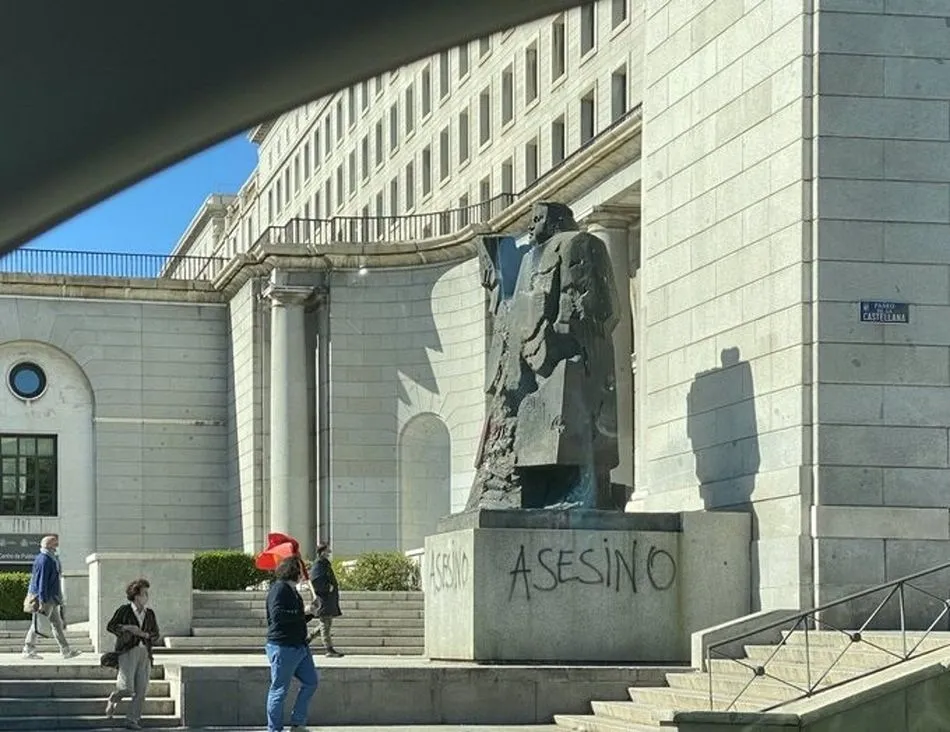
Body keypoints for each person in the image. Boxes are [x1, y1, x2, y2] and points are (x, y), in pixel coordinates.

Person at [266, 556, 319, 732]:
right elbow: (278, 616)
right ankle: (274, 729)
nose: (303, 574)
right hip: (283, 647)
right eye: (300, 570)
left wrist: (310, 613)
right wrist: (302, 611)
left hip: (298, 646)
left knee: (311, 682)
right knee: (279, 690)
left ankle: (297, 722)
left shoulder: (292, 591)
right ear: (293, 571)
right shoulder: (279, 589)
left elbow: (296, 618)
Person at [104, 578, 160, 730]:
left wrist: (145, 635)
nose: (147, 597)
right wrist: (127, 628)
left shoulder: (150, 614)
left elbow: (155, 634)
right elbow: (111, 626)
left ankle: (132, 720)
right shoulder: (124, 610)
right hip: (127, 651)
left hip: (145, 653)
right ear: (136, 595)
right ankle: (113, 698)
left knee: (141, 690)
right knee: (126, 688)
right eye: (144, 593)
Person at [22, 534, 80, 660]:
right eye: (55, 543)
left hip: (52, 598)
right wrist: (42, 600)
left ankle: (66, 650)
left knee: (57, 624)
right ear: (49, 545)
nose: (57, 546)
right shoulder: (45, 560)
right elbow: (42, 581)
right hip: (46, 598)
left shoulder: (51, 558)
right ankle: (28, 649)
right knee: (38, 623)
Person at [308, 543, 343, 658]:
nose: (330, 552)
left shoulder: (323, 564)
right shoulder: (319, 564)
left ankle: (306, 640)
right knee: (325, 625)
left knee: (325, 625)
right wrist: (328, 587)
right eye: (328, 551)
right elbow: (315, 580)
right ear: (322, 552)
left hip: (328, 600)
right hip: (324, 600)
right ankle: (329, 649)